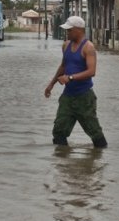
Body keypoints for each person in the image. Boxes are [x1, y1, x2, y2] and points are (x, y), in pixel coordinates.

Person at [44, 16, 107, 148]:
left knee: (94, 133)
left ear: (79, 30)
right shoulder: (66, 45)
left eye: (69, 30)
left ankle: (99, 158)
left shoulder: (88, 47)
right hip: (67, 97)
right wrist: (51, 84)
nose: (67, 33)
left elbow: (91, 71)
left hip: (84, 97)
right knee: (58, 132)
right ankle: (64, 163)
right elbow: (63, 66)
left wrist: (70, 78)